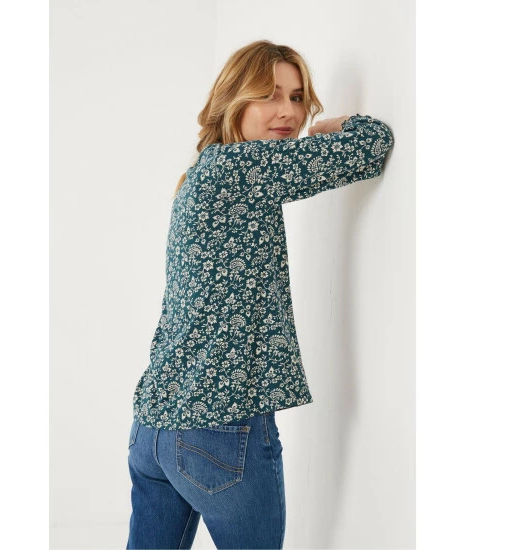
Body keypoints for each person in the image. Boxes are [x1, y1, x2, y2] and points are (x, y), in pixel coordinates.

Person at [126, 39, 394, 549]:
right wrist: (338, 125)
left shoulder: (202, 174)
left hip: (154, 426)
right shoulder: (240, 169)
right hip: (219, 427)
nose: (288, 111)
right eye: (270, 95)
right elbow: (370, 145)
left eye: (297, 97)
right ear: (233, 99)